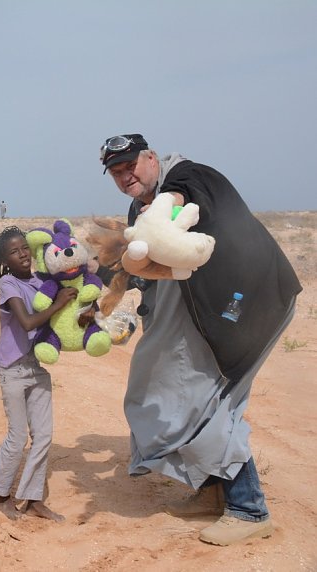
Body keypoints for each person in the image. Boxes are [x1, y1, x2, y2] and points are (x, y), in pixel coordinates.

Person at [98, 133, 301, 545]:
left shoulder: (191, 178)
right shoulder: (142, 206)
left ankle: (249, 510)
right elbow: (147, 260)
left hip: (248, 305)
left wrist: (161, 208)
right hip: (207, 313)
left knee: (210, 402)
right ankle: (211, 492)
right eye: (116, 172)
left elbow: (180, 201)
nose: (125, 177)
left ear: (151, 158)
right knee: (168, 388)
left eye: (130, 166)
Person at [0, 226, 76, 521]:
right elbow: (26, 322)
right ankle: (0, 493)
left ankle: (33, 499)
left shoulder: (42, 280)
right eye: (14, 251)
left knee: (44, 435)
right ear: (4, 260)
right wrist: (60, 302)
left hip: (35, 366)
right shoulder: (8, 284)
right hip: (11, 368)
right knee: (18, 435)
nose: (22, 254)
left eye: (24, 248)